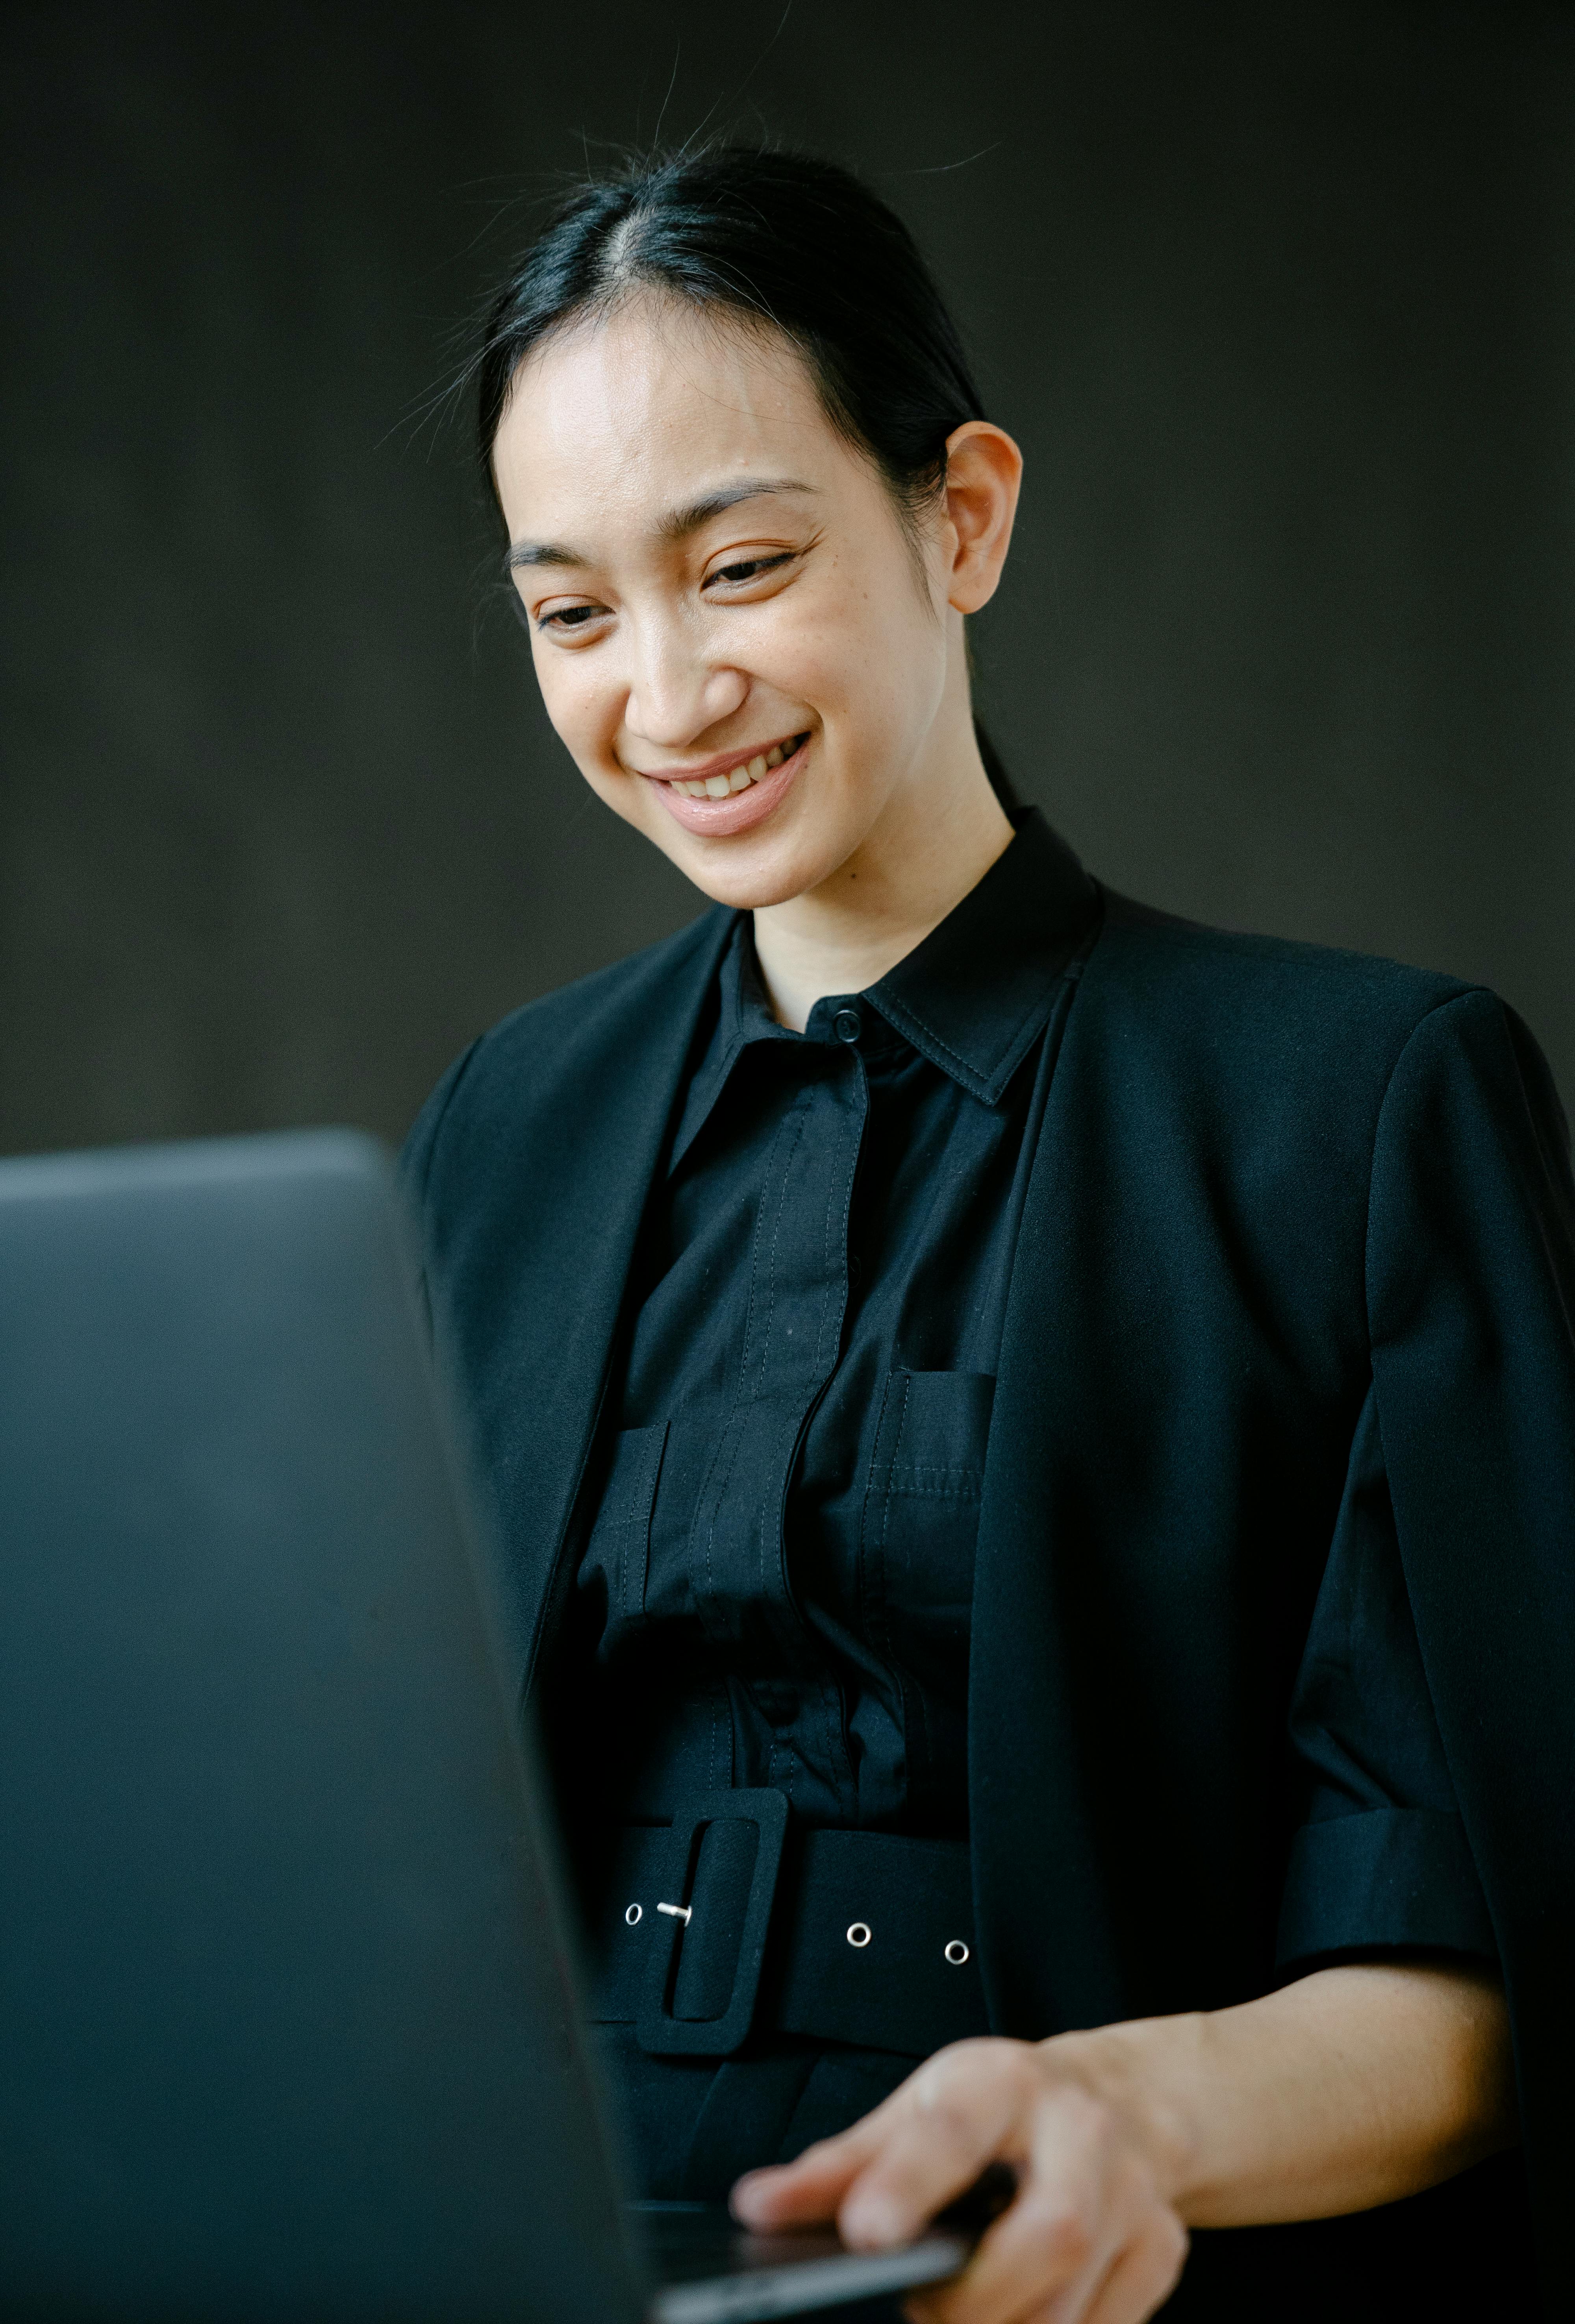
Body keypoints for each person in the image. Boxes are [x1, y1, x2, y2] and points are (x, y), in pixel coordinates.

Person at [402, 146, 1574, 2321]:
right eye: (573, 610)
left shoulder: (1357, 1105)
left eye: (741, 564)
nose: (665, 697)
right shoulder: (508, 1126)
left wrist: (1121, 2115)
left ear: (964, 515)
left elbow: (1492, 1962)